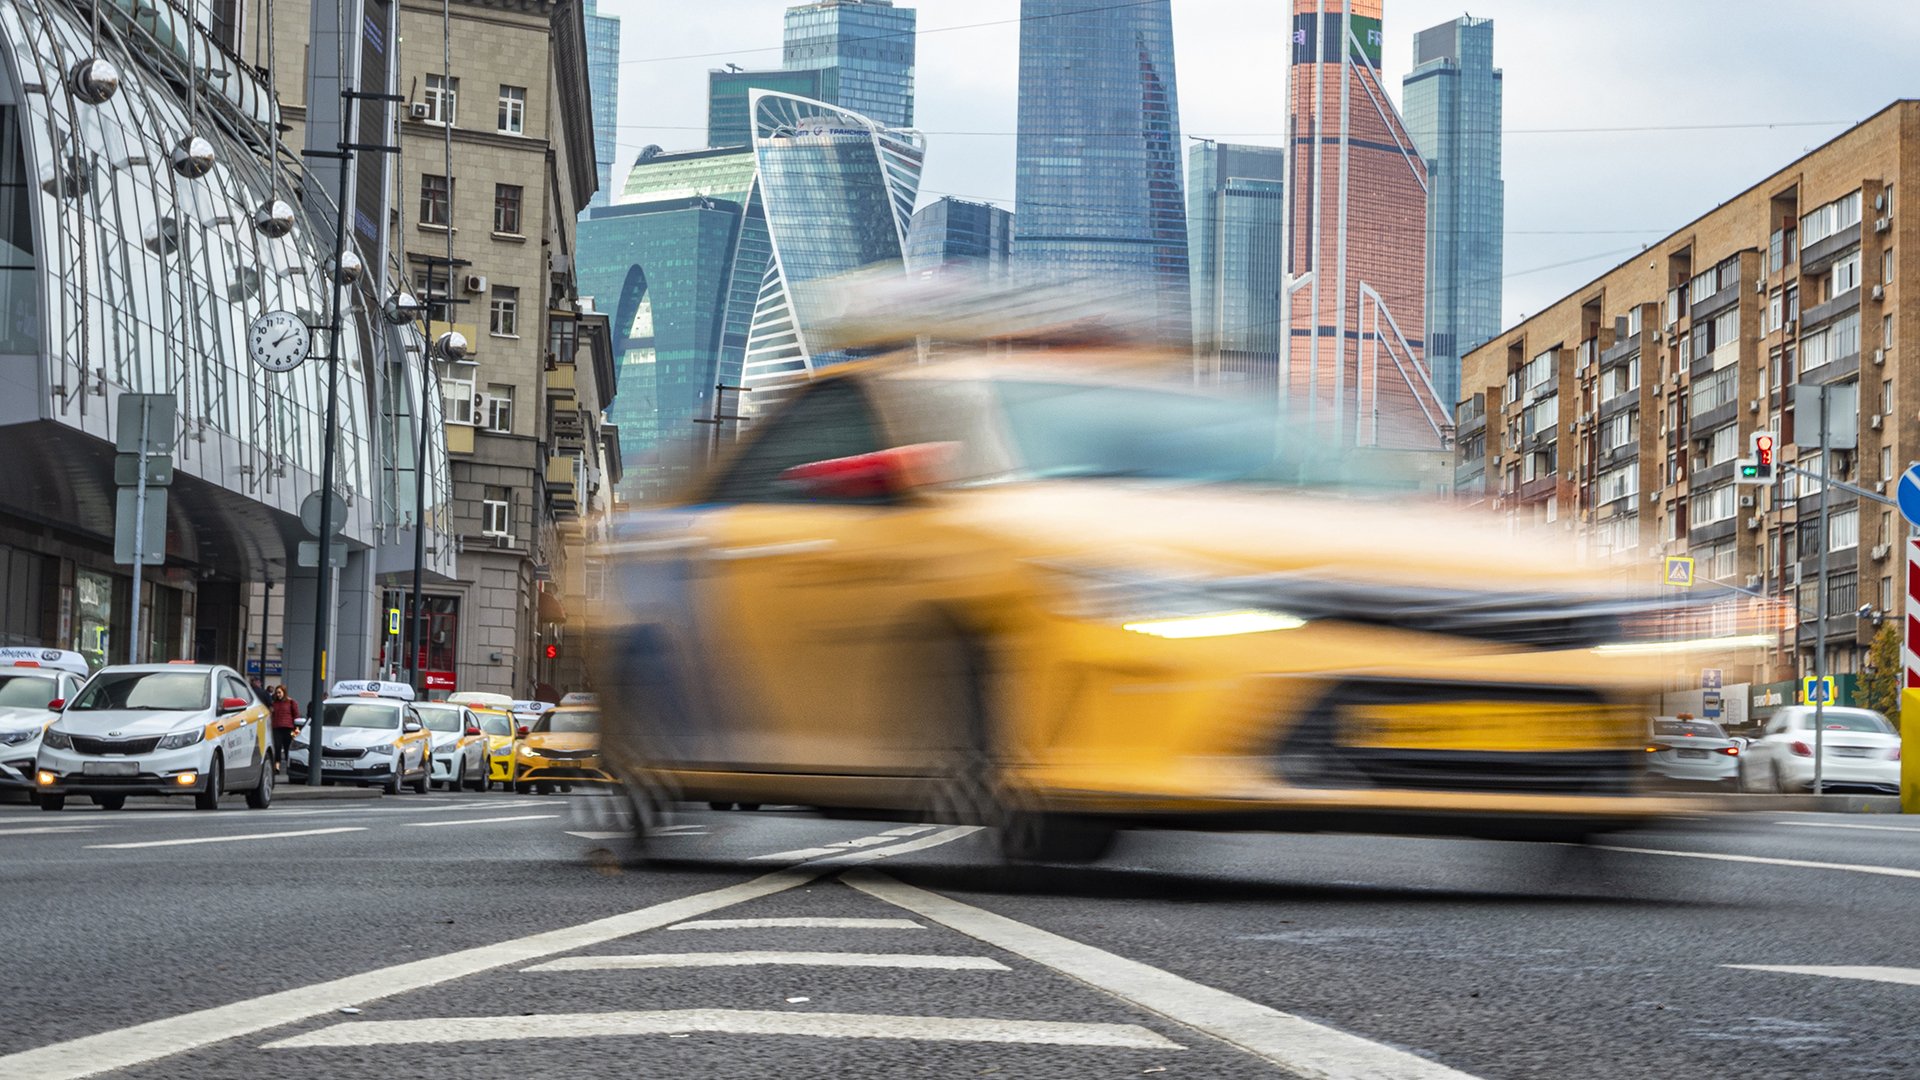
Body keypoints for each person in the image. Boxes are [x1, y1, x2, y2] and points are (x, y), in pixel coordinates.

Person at [268, 685, 300, 770]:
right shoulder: (274, 703)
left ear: (284, 692)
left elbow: (296, 715)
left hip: (288, 728)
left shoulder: (291, 702)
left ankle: (288, 766)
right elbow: (271, 715)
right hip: (277, 728)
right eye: (277, 692)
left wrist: (296, 730)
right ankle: (277, 767)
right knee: (277, 747)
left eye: (279, 692)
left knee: (287, 748)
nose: (278, 694)